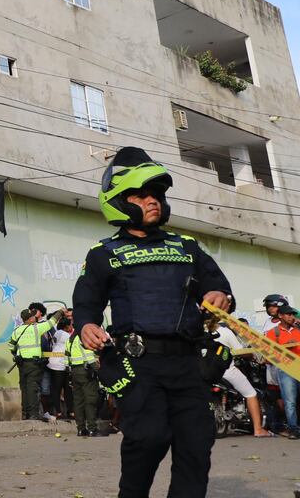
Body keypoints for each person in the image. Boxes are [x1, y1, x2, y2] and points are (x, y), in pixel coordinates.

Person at [73, 147, 233, 498]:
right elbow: (86, 303)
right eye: (141, 195)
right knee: (148, 437)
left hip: (189, 362)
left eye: (156, 195)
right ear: (119, 200)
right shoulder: (103, 253)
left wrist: (220, 296)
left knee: (196, 443)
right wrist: (86, 326)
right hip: (138, 363)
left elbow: (217, 285)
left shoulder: (186, 246)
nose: (152, 201)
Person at [207, 317, 271, 437]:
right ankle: (258, 429)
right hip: (226, 371)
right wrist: (251, 355)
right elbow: (239, 351)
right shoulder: (225, 332)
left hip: (201, 372)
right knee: (250, 393)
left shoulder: (198, 331)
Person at [9, 307, 53, 420]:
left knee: (25, 388)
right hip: (34, 364)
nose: (35, 317)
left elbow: (11, 346)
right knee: (33, 388)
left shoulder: (16, 330)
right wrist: (61, 312)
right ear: (29, 319)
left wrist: (16, 355)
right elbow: (52, 322)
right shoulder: (36, 328)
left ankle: (25, 413)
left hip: (22, 364)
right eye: (33, 316)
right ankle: (34, 414)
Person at [266, 305, 300, 437]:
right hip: (286, 370)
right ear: (280, 316)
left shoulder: (298, 330)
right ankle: (293, 428)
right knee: (290, 401)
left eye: (292, 314)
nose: (291, 317)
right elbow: (269, 354)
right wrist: (284, 348)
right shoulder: (273, 332)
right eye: (288, 314)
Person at [66, 328, 100, 436]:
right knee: (90, 399)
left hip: (75, 371)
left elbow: (66, 357)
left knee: (78, 401)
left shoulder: (70, 339)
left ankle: (81, 429)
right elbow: (89, 355)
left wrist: (70, 372)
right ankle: (92, 429)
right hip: (86, 371)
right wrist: (98, 370)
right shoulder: (84, 337)